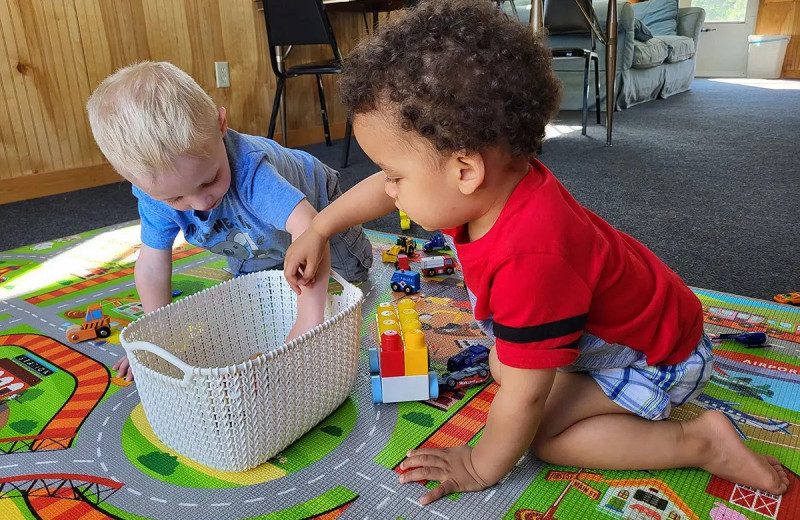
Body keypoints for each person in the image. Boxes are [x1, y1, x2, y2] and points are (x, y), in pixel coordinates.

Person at [284, 0, 789, 505]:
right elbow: (381, 186)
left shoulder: (530, 259)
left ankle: (699, 441)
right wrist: (321, 228)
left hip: (659, 357)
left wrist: (481, 463)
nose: (388, 189)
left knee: (542, 436)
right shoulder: (492, 185)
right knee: (511, 365)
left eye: (395, 176)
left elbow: (524, 397)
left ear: (465, 170)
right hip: (626, 325)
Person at [87, 61, 372, 381]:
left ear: (221, 125)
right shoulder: (155, 198)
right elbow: (152, 267)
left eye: (209, 180)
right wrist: (154, 340)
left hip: (319, 206)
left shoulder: (252, 170)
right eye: (175, 199)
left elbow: (309, 227)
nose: (201, 202)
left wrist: (307, 323)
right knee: (257, 304)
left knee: (354, 277)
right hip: (249, 239)